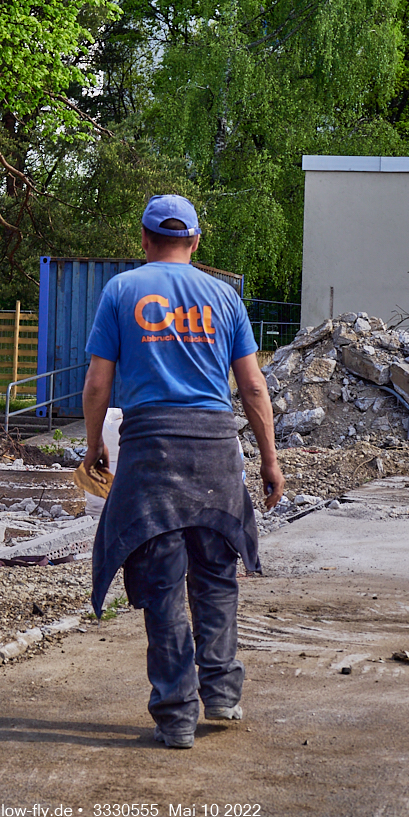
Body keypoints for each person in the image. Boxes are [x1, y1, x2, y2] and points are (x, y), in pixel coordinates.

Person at [81, 194, 285, 749]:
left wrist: (95, 442)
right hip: (215, 453)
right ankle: (220, 693)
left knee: (162, 586)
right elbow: (252, 388)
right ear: (195, 243)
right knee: (216, 577)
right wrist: (269, 459)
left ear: (144, 240)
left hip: (151, 454)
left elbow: (99, 382)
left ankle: (176, 718)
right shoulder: (224, 297)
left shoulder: (122, 290)